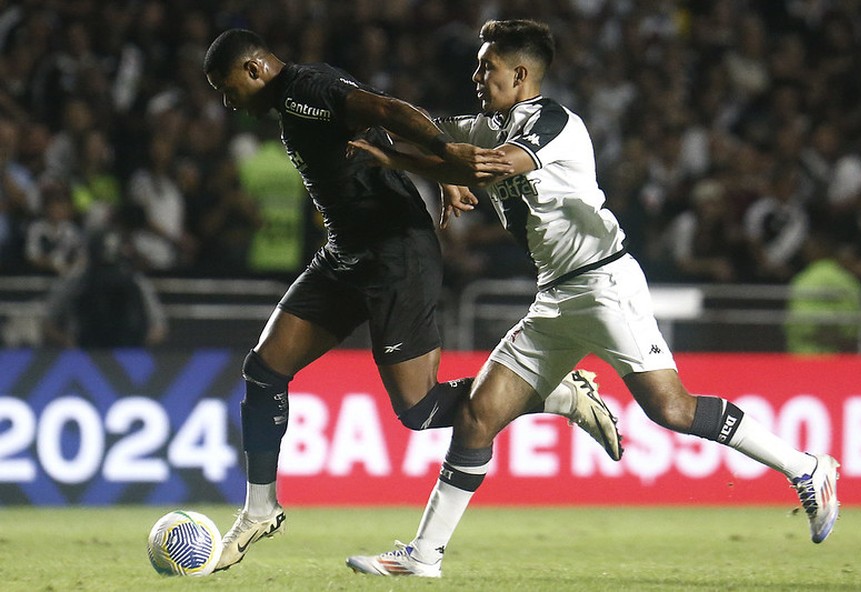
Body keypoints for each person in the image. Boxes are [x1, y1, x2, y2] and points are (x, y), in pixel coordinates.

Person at [346, 19, 840, 578]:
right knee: (480, 415)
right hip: (555, 295)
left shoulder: (553, 122)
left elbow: (488, 165)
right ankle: (425, 555)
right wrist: (372, 120)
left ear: (521, 72)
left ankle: (806, 467)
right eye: (480, 65)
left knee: (670, 408)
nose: (477, 75)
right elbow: (432, 130)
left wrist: (404, 161)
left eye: (489, 66)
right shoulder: (488, 123)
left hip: (603, 284)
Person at [202, 29, 623, 572]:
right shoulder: (301, 98)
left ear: (254, 69)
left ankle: (558, 397)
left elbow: (387, 108)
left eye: (226, 86)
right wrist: (444, 177)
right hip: (346, 253)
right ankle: (259, 510)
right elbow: (374, 119)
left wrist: (447, 157)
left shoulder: (307, 92)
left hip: (395, 253)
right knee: (263, 370)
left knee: (419, 410)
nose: (226, 100)